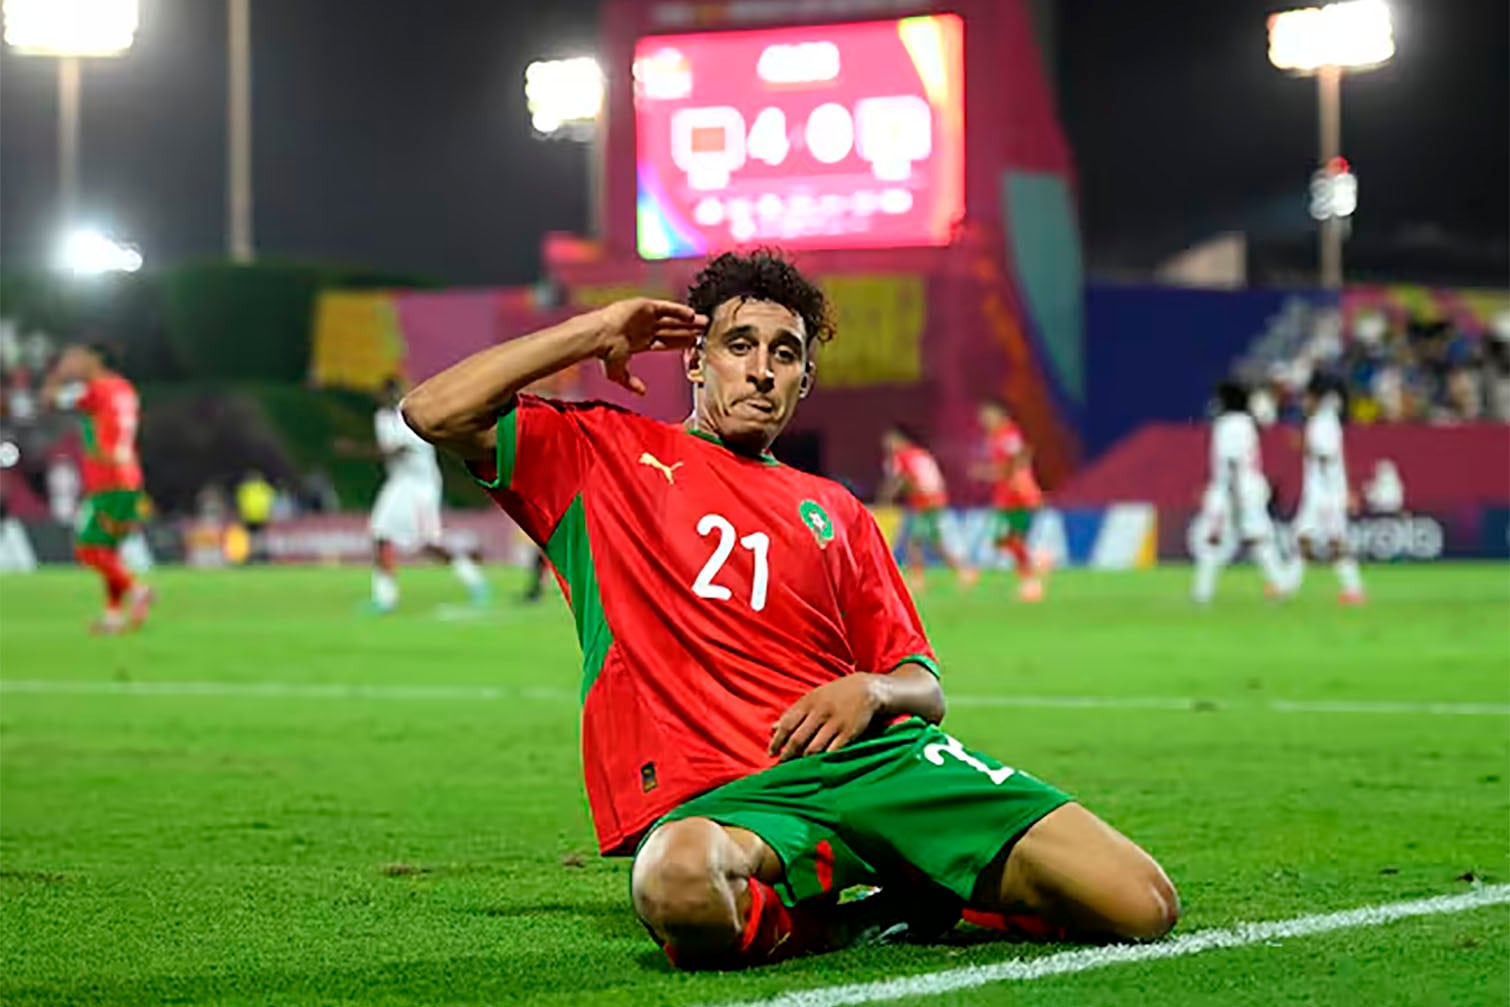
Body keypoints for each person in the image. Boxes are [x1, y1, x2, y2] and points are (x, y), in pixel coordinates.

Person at [401, 250, 1176, 972]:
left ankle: (928, 878)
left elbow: (924, 684)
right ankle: (861, 919)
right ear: (695, 360)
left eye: (785, 353)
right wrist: (595, 329)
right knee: (675, 880)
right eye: (739, 345)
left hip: (877, 766)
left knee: (1141, 903)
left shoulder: (837, 510)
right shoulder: (601, 457)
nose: (762, 370)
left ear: (805, 379)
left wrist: (873, 689)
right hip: (730, 800)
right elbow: (434, 410)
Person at [338, 377, 488, 613]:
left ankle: (473, 578)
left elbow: (399, 450)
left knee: (429, 544)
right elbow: (388, 449)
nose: (391, 398)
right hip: (399, 482)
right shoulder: (382, 418)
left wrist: (354, 450)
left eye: (394, 393)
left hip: (421, 486)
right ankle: (385, 598)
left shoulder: (414, 414)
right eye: (386, 394)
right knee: (379, 534)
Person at [40, 344, 154, 634]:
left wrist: (57, 374)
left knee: (88, 550)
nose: (73, 363)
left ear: (95, 360)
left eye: (77, 358)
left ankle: (136, 590)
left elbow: (50, 399)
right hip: (128, 477)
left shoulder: (94, 390)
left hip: (108, 480)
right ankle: (112, 616)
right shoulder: (123, 388)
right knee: (108, 550)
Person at [1190, 380, 1296, 605]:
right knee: (1259, 540)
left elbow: (1232, 463)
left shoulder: (1228, 424)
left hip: (1233, 491)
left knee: (1215, 540)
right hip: (1248, 489)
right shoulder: (1246, 423)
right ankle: (1280, 584)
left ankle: (1203, 592)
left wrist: (1234, 498)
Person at [1290, 375, 1366, 605]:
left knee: (1333, 542)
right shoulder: (1323, 420)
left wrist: (1303, 446)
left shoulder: (1322, 422)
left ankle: (1354, 590)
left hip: (1325, 494)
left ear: (1315, 398)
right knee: (1304, 539)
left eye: (1306, 398)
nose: (1303, 403)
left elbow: (1326, 457)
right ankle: (1286, 586)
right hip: (1320, 493)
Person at [878, 425, 975, 590]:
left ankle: (919, 578)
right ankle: (963, 571)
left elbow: (902, 479)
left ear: (899, 439)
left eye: (890, 440)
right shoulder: (921, 454)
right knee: (935, 542)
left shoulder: (903, 456)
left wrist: (886, 497)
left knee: (914, 541)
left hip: (925, 502)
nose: (887, 444)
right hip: (935, 499)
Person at [974, 400, 1048, 602]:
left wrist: (1023, 485)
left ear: (1000, 414)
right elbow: (1009, 464)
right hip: (1005, 495)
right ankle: (1036, 564)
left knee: (1010, 538)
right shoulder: (995, 436)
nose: (984, 419)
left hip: (1015, 496)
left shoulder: (1008, 433)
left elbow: (1020, 457)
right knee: (1004, 539)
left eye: (987, 414)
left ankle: (1031, 577)